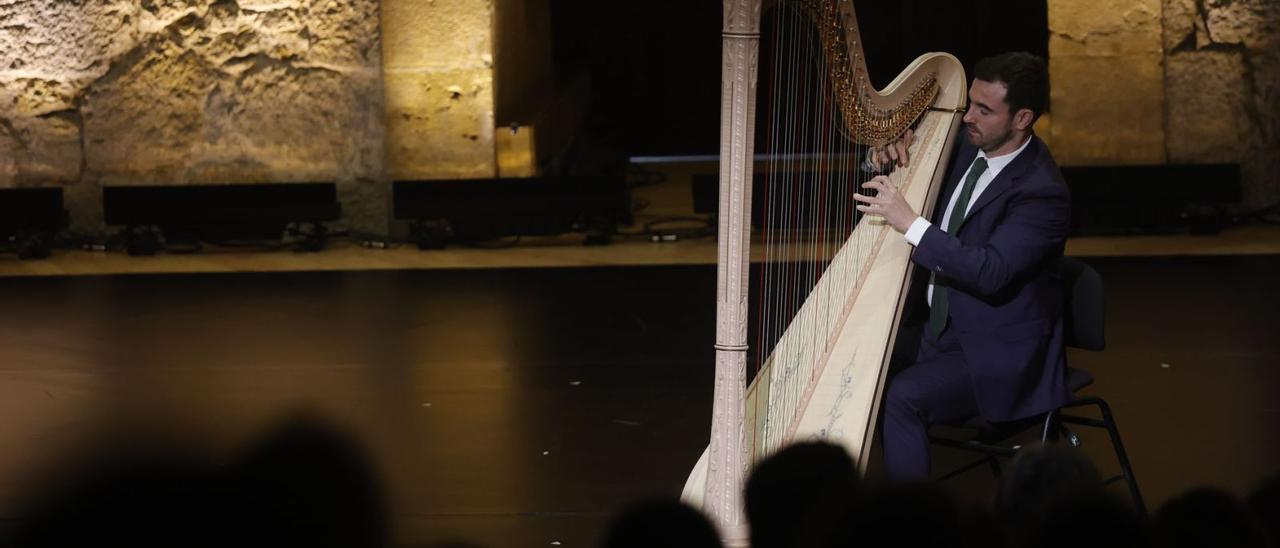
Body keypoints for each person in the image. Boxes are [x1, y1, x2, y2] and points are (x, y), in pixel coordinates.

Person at [851, 51, 1071, 479]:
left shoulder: (1042, 193)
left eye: (983, 110)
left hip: (995, 349)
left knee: (901, 396)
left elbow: (990, 272)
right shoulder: (962, 148)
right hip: (938, 328)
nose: (967, 115)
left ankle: (916, 524)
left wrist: (911, 223)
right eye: (969, 102)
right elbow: (893, 190)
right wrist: (882, 161)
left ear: (1022, 118)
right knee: (857, 367)